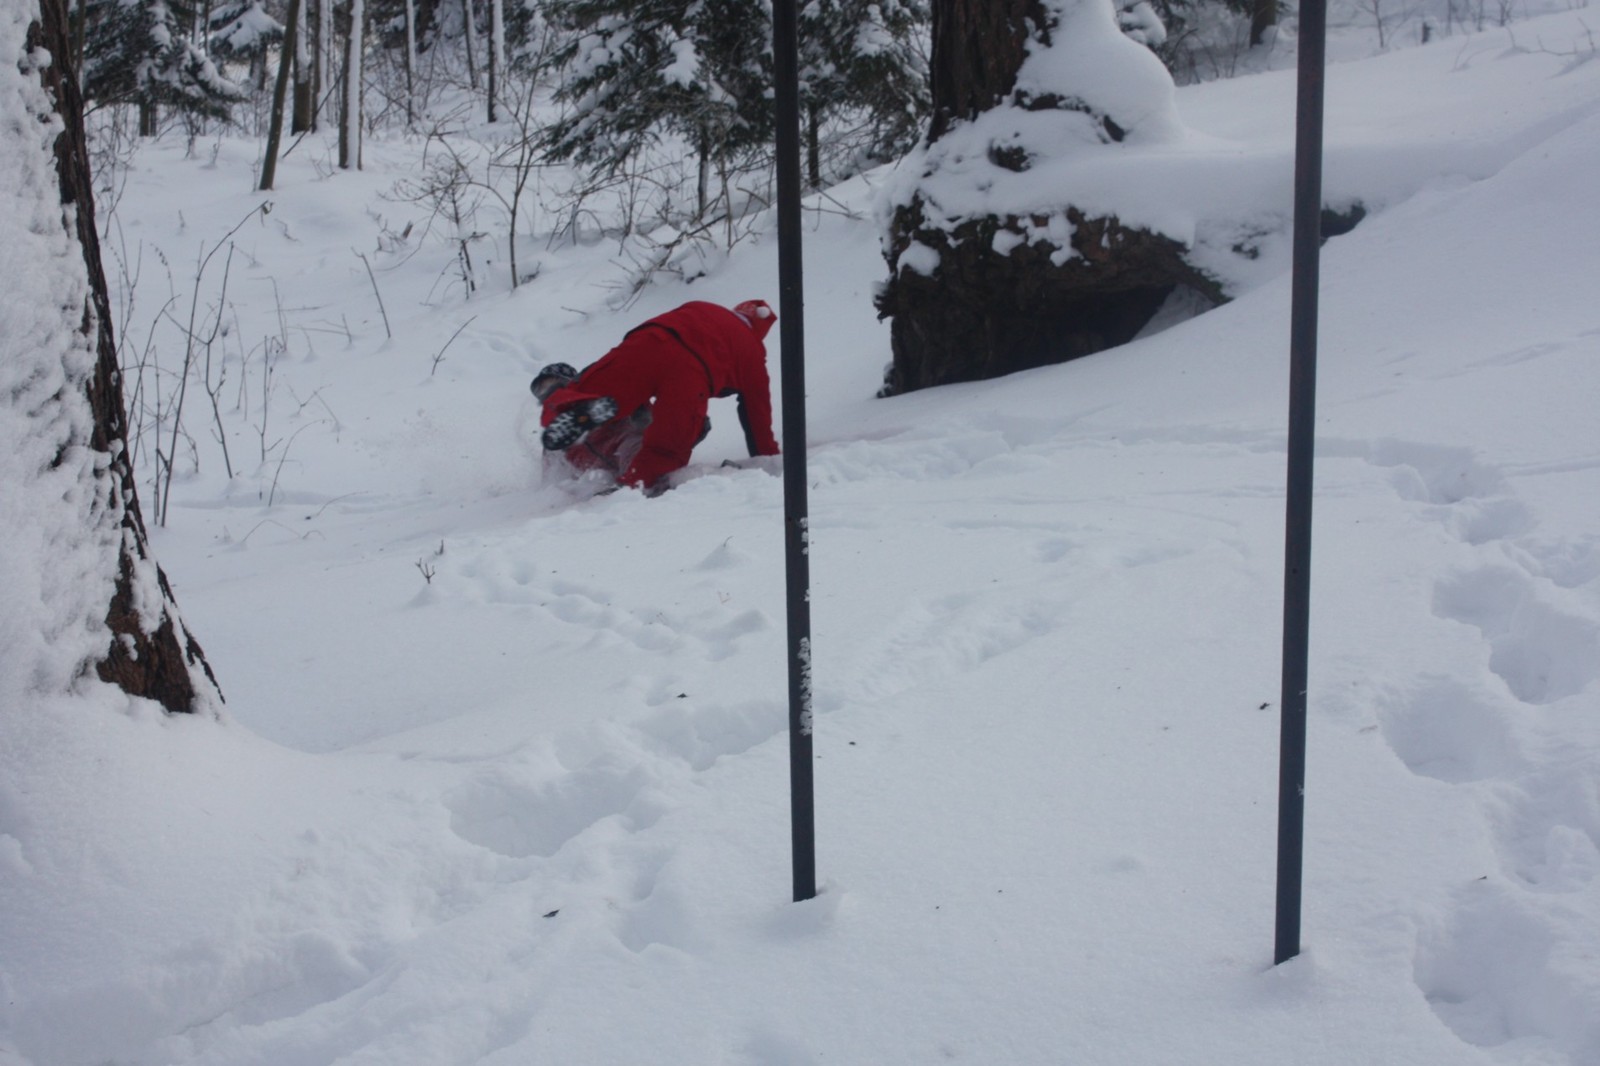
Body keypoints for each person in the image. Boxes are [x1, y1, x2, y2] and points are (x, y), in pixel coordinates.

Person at [532, 300, 780, 495]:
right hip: (691, 371)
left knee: (596, 389)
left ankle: (567, 404)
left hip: (649, 340)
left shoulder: (701, 307)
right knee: (668, 445)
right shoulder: (752, 351)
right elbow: (757, 414)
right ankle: (636, 485)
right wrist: (768, 457)